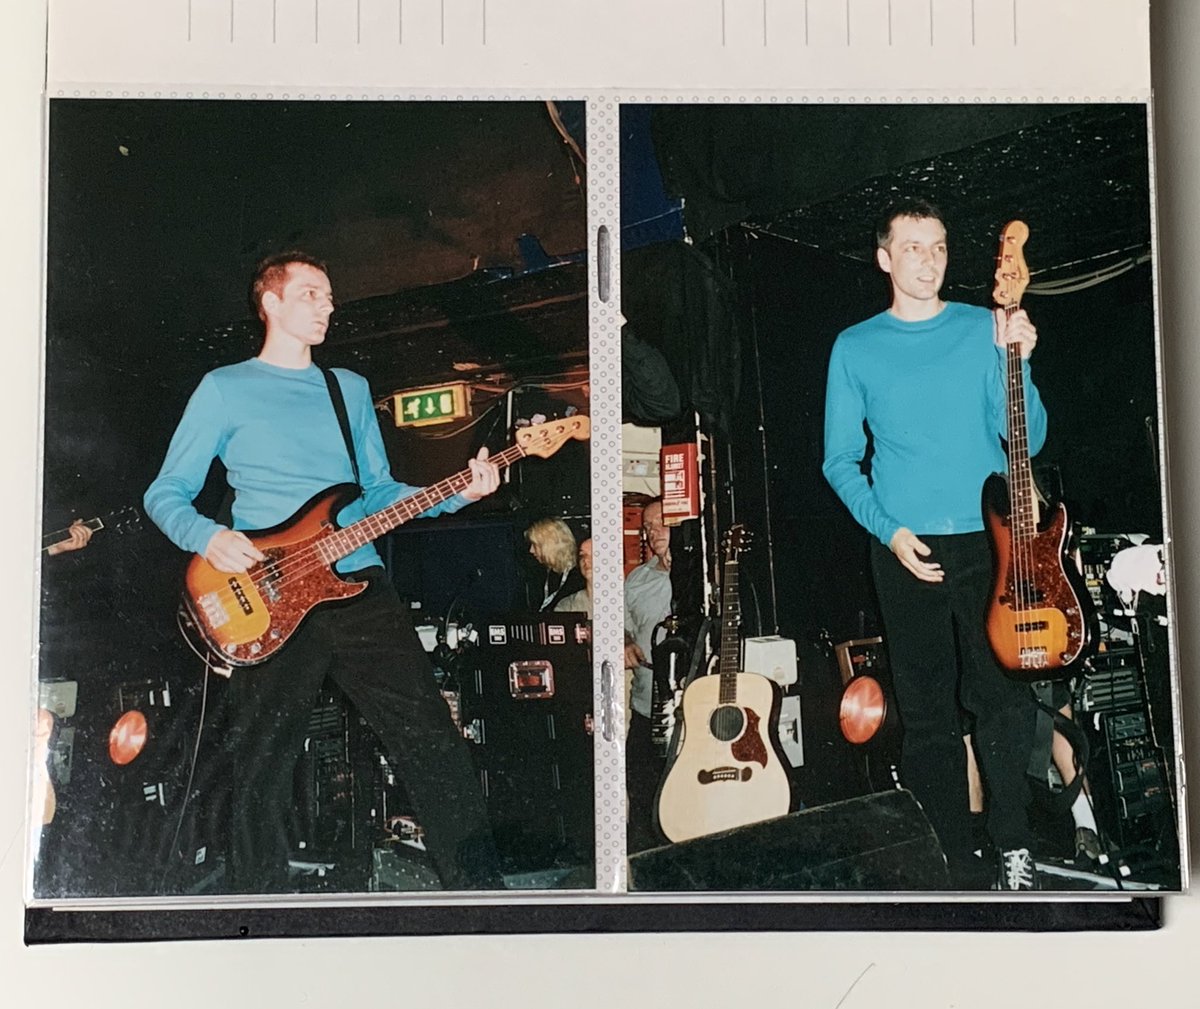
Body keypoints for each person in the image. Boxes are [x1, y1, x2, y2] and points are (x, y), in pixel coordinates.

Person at [144, 251, 504, 894]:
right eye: (311, 293)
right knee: (261, 761)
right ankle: (258, 911)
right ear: (271, 303)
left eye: (331, 296)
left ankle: (481, 890)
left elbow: (376, 492)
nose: (327, 306)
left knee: (430, 738)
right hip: (269, 593)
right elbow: (165, 493)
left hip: (357, 585)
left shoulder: (349, 389)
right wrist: (209, 536)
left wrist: (458, 492)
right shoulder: (224, 388)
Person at [822, 200, 1046, 890]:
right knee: (925, 715)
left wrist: (1022, 365)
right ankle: (949, 855)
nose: (929, 259)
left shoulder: (984, 327)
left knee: (1002, 701)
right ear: (885, 258)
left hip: (989, 543)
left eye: (940, 246)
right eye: (913, 248)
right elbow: (838, 462)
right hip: (906, 551)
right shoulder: (855, 347)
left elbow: (1026, 439)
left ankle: (1014, 847)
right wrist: (888, 531)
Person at [623, 498, 672, 850]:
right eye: (648, 527)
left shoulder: (702, 573)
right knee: (642, 787)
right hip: (645, 701)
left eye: (661, 523)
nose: (653, 532)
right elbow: (621, 626)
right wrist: (624, 641)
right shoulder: (637, 580)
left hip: (690, 703)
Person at [524, 517, 584, 611]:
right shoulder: (540, 574)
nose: (531, 550)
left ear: (550, 545)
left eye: (536, 545)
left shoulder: (579, 578)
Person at [554, 537, 593, 617]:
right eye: (582, 555)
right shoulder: (567, 606)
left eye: (594, 554)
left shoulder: (623, 601)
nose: (585, 560)